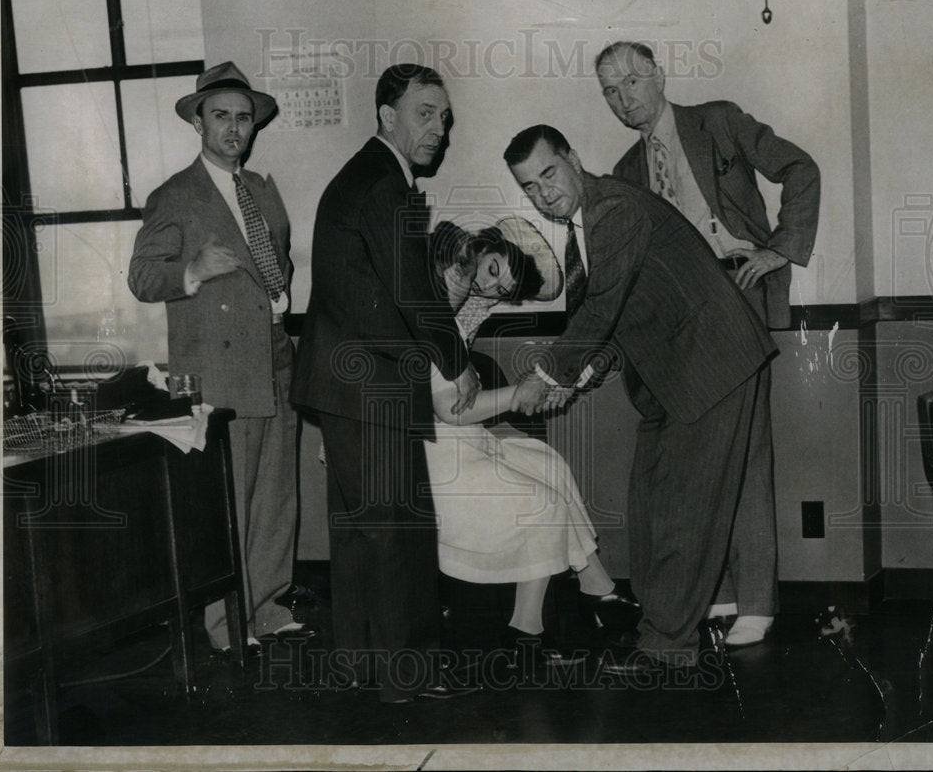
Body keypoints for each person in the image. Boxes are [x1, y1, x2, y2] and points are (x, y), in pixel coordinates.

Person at [504, 125, 777, 670]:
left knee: (681, 514)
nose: (544, 193)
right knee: (650, 507)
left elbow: (602, 309)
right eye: (530, 187)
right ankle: (662, 628)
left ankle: (667, 646)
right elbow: (621, 316)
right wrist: (579, 375)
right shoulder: (589, 224)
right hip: (676, 380)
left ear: (574, 158)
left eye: (549, 174)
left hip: (712, 367)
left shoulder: (613, 210)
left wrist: (546, 376)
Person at [594, 41, 821, 647]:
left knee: (745, 453)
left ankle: (756, 603)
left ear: (660, 76)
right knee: (697, 462)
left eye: (633, 82)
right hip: (679, 325)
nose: (624, 98)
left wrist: (779, 246)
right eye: (611, 91)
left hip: (737, 295)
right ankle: (715, 593)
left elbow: (801, 168)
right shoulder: (623, 174)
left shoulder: (716, 121)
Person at [290, 64, 480, 704]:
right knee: (398, 531)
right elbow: (413, 292)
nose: (439, 129)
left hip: (344, 384)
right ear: (386, 115)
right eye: (425, 113)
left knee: (360, 532)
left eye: (445, 118)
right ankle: (410, 674)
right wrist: (458, 361)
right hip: (369, 386)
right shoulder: (383, 186)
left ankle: (363, 664)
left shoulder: (364, 178)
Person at [128, 62, 312, 655]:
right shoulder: (175, 195)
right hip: (221, 369)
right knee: (229, 503)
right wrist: (191, 271)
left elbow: (275, 267)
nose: (234, 128)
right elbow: (140, 278)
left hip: (277, 357)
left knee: (276, 496)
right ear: (199, 123)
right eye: (221, 116)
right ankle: (226, 625)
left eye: (243, 118)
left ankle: (268, 609)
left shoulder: (262, 189)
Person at [426, 217, 640, 661]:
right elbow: (448, 408)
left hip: (461, 439)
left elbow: (543, 286)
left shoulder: (468, 302)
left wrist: (544, 383)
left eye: (499, 289)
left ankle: (596, 589)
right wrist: (518, 394)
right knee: (541, 504)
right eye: (486, 271)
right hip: (429, 449)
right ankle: (527, 629)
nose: (484, 289)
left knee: (547, 463)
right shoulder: (430, 305)